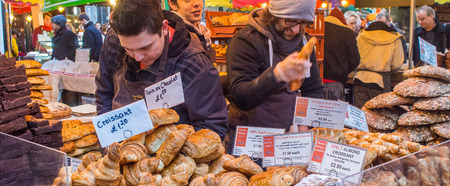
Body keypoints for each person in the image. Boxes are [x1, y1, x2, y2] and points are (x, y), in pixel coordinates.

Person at [95, 0, 228, 139]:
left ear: (164, 28)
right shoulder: (114, 40)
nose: (138, 57)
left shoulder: (194, 64)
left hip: (173, 155)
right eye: (128, 49)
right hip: (121, 147)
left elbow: (212, 126)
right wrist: (108, 144)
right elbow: (105, 92)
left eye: (145, 47)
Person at [225, 0, 324, 144]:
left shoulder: (304, 42)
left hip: (289, 135)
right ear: (274, 15)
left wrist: (306, 122)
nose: (296, 30)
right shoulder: (246, 41)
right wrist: (277, 75)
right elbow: (241, 96)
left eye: (303, 23)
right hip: (251, 137)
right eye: (290, 21)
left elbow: (313, 89)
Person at [352, 17, 404, 108]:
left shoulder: (361, 36)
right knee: (380, 117)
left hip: (360, 79)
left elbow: (354, 58)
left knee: (361, 115)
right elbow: (397, 64)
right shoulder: (394, 38)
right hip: (381, 82)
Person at [323, 8, 359, 100]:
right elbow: (355, 60)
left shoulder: (317, 29)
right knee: (335, 112)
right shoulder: (347, 33)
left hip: (313, 83)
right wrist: (343, 70)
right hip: (336, 82)